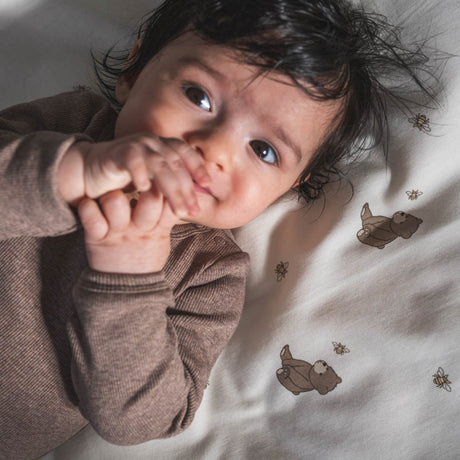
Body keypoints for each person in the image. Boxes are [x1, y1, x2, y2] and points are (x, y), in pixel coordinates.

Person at [0, 0, 436, 458]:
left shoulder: (209, 273)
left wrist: (127, 279)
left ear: (292, 185)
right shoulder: (70, 125)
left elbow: (138, 420)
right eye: (199, 97)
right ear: (134, 70)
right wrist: (78, 172)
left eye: (263, 150)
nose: (215, 150)